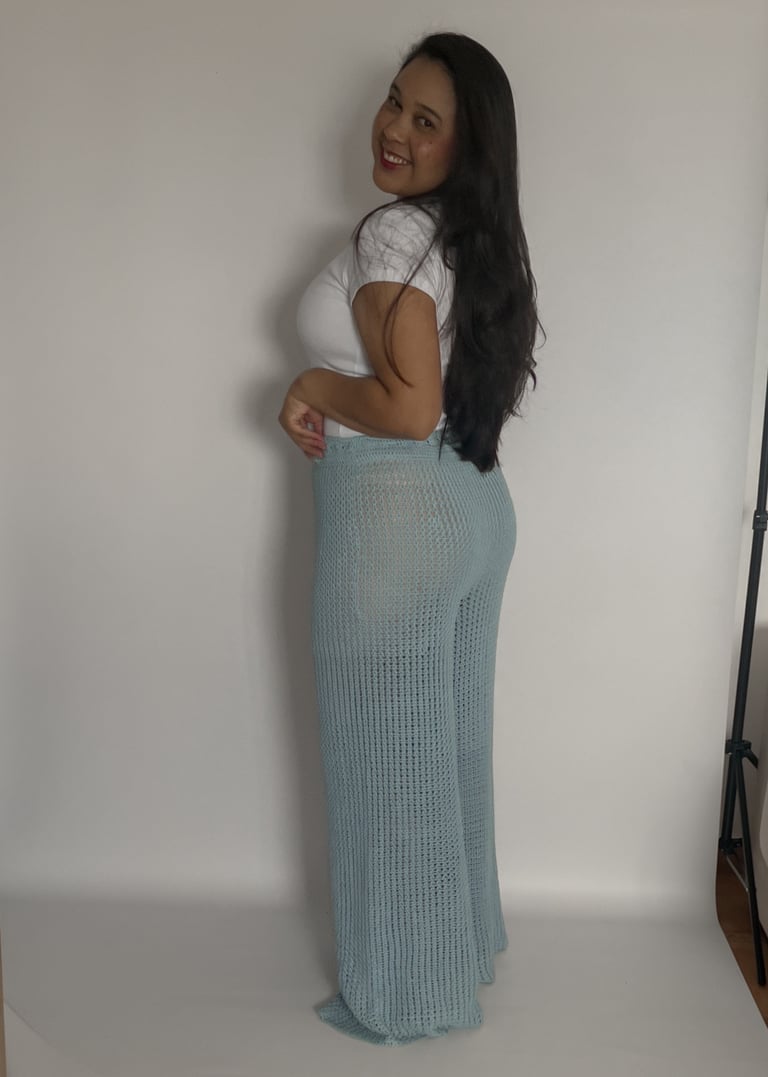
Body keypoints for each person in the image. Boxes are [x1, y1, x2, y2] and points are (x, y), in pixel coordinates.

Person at [278, 30, 542, 1046]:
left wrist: (308, 383)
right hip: (474, 509)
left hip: (391, 524)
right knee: (449, 749)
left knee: (385, 765)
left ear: (465, 148)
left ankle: (404, 995)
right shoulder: (471, 239)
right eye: (395, 102)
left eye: (426, 121)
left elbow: (407, 405)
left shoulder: (394, 234)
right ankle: (459, 951)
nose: (393, 128)